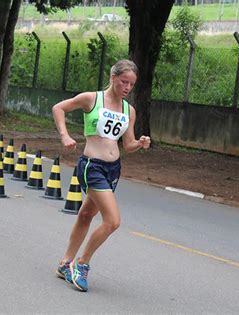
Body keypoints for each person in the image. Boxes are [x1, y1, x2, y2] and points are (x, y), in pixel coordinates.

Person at [52, 59, 151, 292]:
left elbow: (128, 145)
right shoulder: (92, 99)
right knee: (113, 221)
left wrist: (141, 143)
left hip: (113, 168)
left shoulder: (129, 110)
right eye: (123, 82)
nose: (127, 87)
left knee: (86, 214)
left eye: (131, 84)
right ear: (113, 77)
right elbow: (59, 108)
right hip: (92, 166)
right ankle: (82, 264)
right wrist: (65, 136)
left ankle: (65, 263)